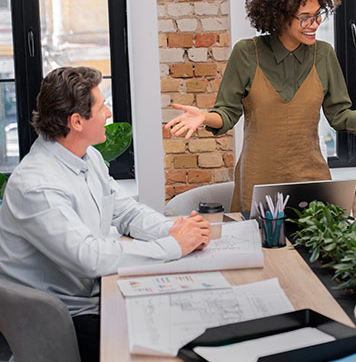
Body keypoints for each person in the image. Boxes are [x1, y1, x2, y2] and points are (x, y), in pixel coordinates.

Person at [166, 0, 356, 211]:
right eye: (305, 17)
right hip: (258, 179)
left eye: (318, 14)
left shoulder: (323, 55)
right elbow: (226, 114)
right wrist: (202, 116)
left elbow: (340, 117)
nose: (314, 24)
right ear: (280, 17)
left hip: (311, 178)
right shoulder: (247, 53)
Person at [0, 67, 211, 362]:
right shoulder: (36, 185)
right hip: (64, 318)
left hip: (96, 294)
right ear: (76, 121)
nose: (109, 113)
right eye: (101, 107)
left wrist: (177, 229)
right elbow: (89, 257)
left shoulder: (88, 156)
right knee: (171, 346)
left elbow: (124, 211)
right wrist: (174, 245)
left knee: (188, 317)